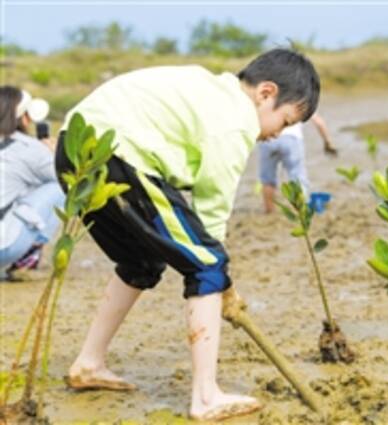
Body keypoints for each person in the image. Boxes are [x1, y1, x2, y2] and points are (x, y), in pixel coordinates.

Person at [54, 49, 320, 421]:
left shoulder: (213, 91)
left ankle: (88, 363)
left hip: (74, 148)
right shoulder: (236, 121)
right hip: (117, 153)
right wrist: (220, 281)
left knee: (141, 261)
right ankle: (206, 396)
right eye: (286, 120)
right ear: (265, 93)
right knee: (208, 265)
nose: (278, 133)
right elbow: (211, 220)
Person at [0, 87, 64, 281]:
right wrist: (54, 155)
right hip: (3, 248)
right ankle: (28, 257)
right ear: (25, 118)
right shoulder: (30, 148)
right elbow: (65, 177)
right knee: (60, 185)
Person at [259, 112, 337, 213]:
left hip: (267, 138)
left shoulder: (267, 98)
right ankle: (301, 211)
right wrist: (328, 142)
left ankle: (269, 212)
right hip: (291, 139)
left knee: (267, 180)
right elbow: (318, 122)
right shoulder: (298, 97)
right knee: (297, 176)